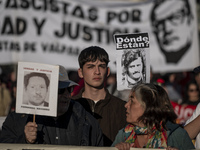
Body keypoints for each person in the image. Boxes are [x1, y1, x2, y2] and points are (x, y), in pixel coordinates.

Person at [0, 65, 103, 146]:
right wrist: (25, 140)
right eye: (60, 90)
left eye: (69, 89)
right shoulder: (18, 119)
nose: (67, 95)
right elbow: (4, 144)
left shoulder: (85, 120)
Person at [111, 83, 194, 150]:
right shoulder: (124, 134)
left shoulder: (176, 134)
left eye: (132, 101)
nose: (126, 105)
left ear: (148, 107)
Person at [72, 46, 127, 146]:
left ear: (108, 71)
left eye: (101, 66)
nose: (97, 72)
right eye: (90, 67)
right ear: (80, 72)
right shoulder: (70, 106)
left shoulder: (123, 108)